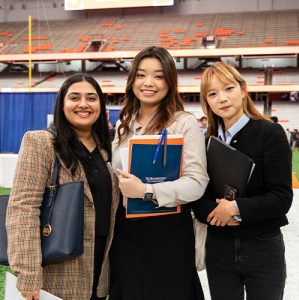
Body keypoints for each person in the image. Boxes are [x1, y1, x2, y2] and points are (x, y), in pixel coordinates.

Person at [6, 74, 119, 300]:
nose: (83, 105)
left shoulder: (107, 149)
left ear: (101, 106)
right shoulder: (41, 143)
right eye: (74, 98)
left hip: (98, 274)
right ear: (62, 104)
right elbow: (22, 210)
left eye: (92, 98)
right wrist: (28, 274)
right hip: (56, 275)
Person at [110, 46, 209, 300]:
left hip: (168, 232)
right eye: (141, 75)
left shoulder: (184, 122)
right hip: (126, 232)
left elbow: (197, 183)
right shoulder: (124, 123)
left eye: (158, 75)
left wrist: (147, 191)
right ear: (132, 79)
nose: (148, 83)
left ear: (170, 80)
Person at [192, 62, 293, 300]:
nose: (222, 99)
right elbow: (197, 194)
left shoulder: (270, 133)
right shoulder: (205, 141)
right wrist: (217, 212)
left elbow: (281, 197)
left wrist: (235, 209)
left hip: (263, 245)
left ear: (243, 89)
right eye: (213, 94)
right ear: (207, 102)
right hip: (219, 246)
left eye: (228, 89)